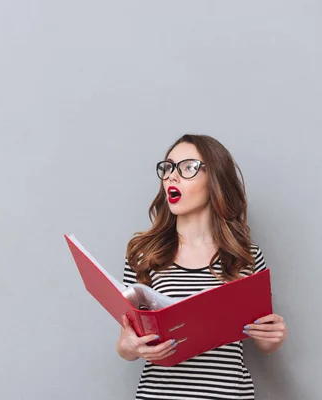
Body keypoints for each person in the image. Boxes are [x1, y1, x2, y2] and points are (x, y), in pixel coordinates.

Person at [116, 134, 288, 399]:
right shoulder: (143, 256)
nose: (172, 176)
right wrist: (130, 347)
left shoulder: (246, 257)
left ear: (215, 180)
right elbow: (126, 344)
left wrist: (272, 337)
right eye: (168, 167)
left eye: (187, 168)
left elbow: (263, 341)